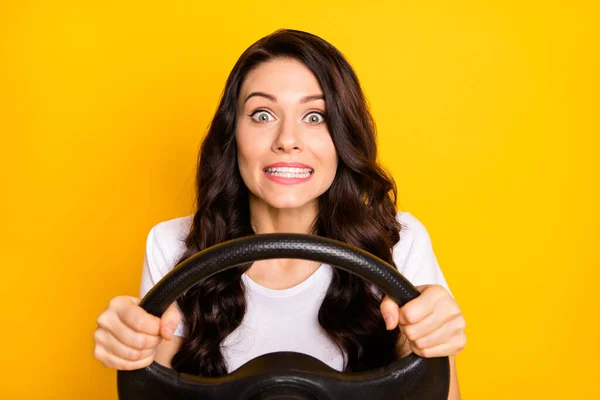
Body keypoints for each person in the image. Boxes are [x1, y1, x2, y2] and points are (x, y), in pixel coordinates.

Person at [93, 29, 466, 399]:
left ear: (343, 136)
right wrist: (133, 348)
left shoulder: (399, 243)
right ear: (232, 132)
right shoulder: (172, 245)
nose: (287, 139)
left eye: (315, 116)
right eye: (263, 114)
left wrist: (433, 341)